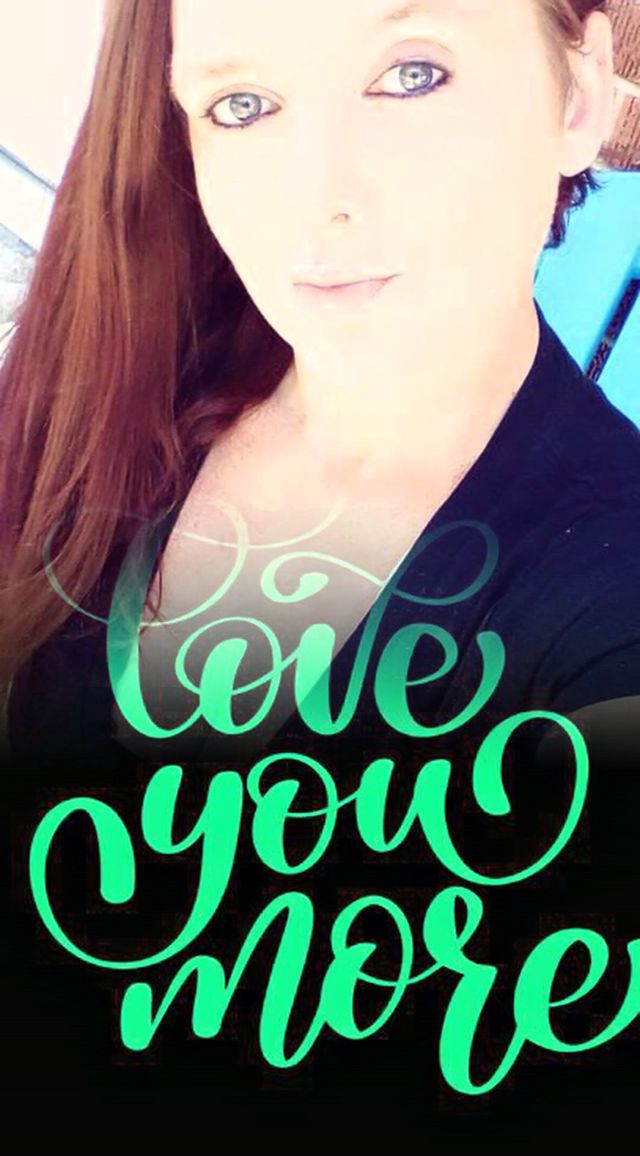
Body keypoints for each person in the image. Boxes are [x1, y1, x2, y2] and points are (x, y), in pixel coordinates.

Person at [3, 2, 640, 1154]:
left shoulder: (606, 597)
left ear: (581, 92)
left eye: (411, 73)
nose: (318, 196)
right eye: (242, 104)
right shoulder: (116, 404)